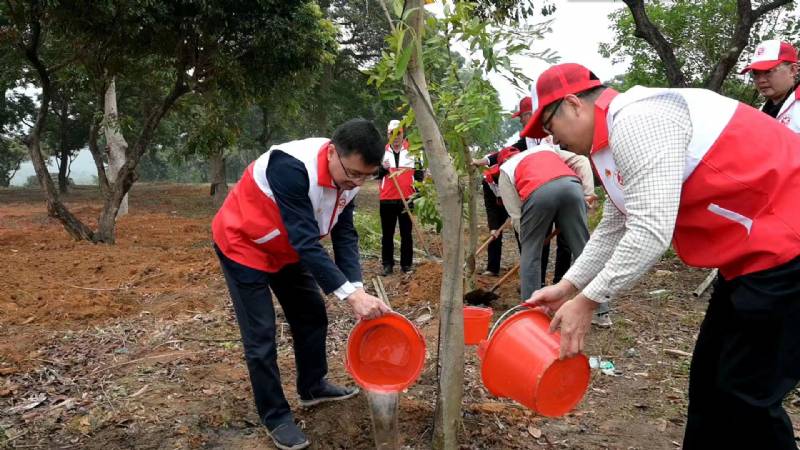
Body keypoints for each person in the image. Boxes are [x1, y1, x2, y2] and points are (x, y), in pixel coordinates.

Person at [522, 63, 800, 449]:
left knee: (748, 397)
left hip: (788, 252)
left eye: (549, 126)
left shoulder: (638, 120)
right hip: (749, 260)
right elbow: (616, 224)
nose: (553, 140)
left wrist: (588, 301)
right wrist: (568, 286)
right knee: (708, 384)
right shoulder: (608, 142)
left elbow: (650, 231)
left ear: (573, 104)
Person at [211, 119, 391, 450]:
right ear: (332, 153)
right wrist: (350, 296)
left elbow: (344, 233)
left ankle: (312, 386)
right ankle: (276, 416)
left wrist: (356, 287)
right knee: (261, 336)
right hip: (244, 244)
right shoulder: (291, 167)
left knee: (311, 314)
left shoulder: (351, 180)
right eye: (353, 174)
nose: (356, 183)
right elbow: (306, 240)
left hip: (286, 248)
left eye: (366, 176)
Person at [377, 120, 423, 275]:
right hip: (387, 198)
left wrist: (416, 194)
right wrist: (383, 169)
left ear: (403, 134)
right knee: (387, 234)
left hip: (407, 198)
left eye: (398, 133)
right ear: (388, 134)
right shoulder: (381, 153)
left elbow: (419, 176)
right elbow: (374, 174)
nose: (395, 137)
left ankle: (406, 264)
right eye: (392, 133)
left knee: (406, 233)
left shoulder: (414, 152)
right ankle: (387, 264)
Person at [741, 39, 800, 132]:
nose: (761, 80)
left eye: (768, 71)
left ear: (792, 70)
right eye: (756, 73)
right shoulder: (760, 113)